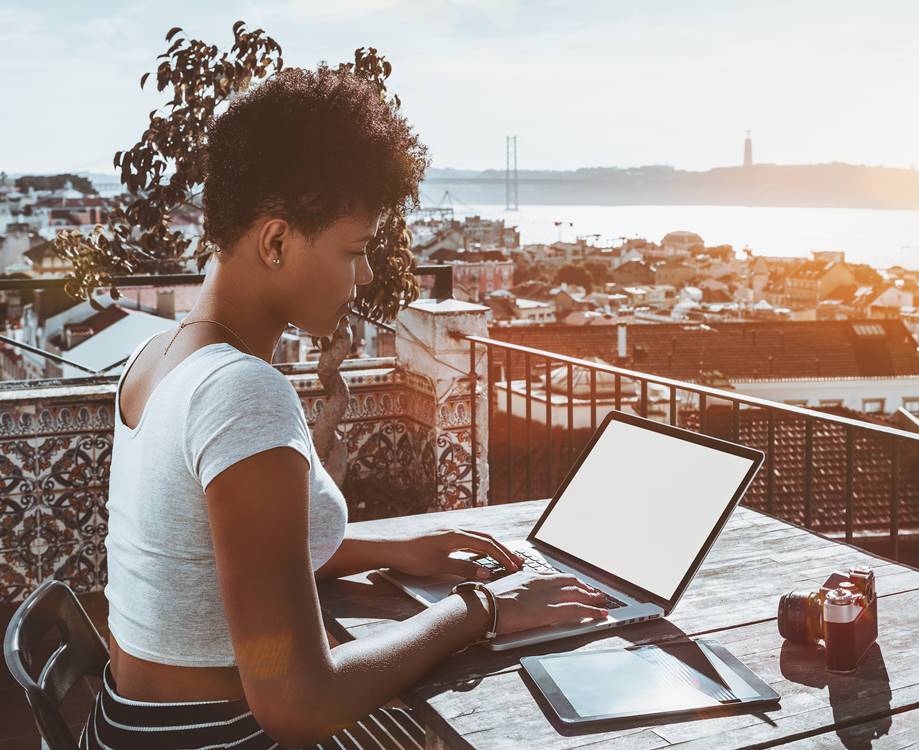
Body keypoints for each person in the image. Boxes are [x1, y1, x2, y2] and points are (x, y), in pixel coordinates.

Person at [81, 66, 609, 750]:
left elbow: (214, 559)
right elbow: (296, 700)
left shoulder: (158, 357)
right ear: (275, 242)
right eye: (353, 251)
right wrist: (478, 609)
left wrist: (389, 548)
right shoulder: (240, 393)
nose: (363, 276)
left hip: (132, 727)